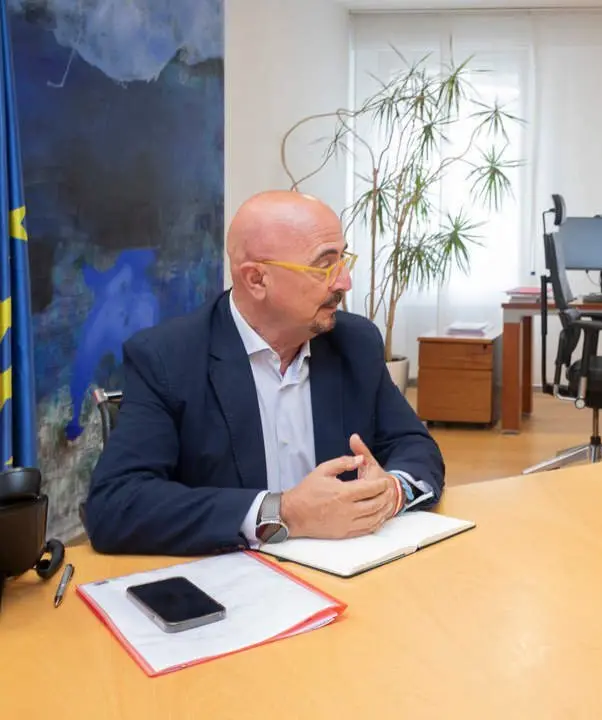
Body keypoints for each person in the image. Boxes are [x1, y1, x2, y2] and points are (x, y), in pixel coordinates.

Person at [85, 191, 445, 556]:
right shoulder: (167, 358)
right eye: (325, 265)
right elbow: (116, 504)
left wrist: (390, 494)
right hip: (231, 581)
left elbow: (416, 448)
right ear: (257, 279)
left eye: (343, 259)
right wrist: (282, 512)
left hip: (344, 571)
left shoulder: (353, 342)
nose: (344, 282)